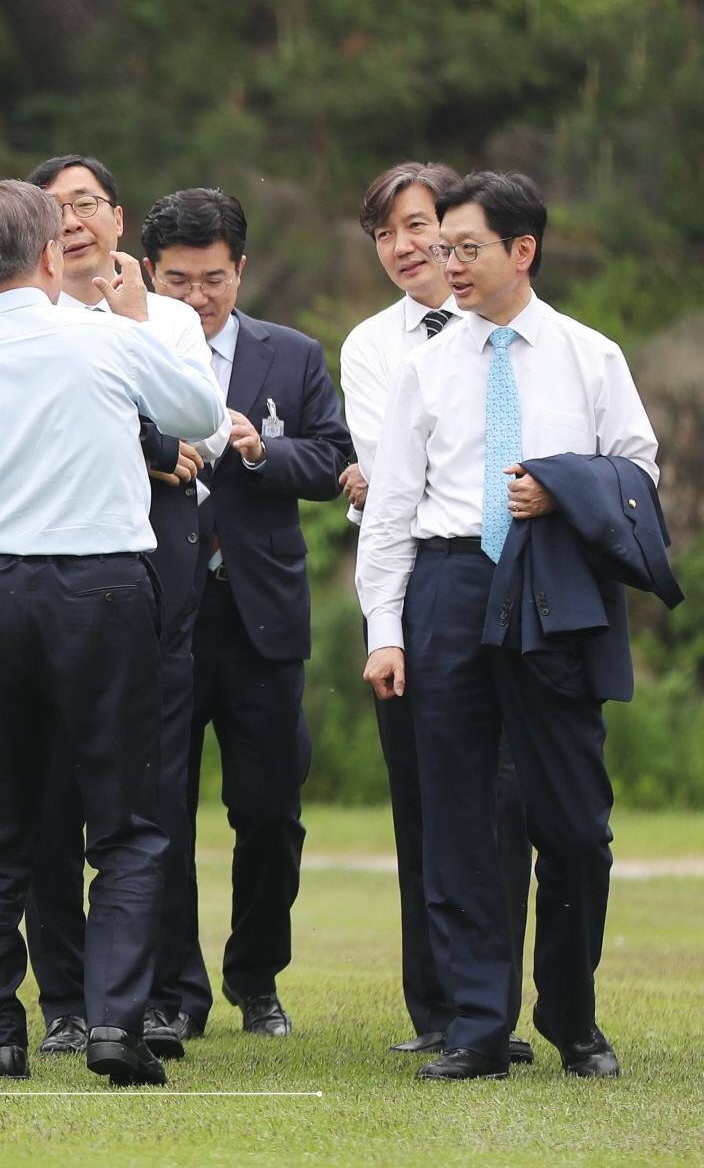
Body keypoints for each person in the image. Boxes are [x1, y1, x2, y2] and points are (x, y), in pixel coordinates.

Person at [357, 171, 667, 1081]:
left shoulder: (590, 355)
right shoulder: (425, 365)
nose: (443, 264)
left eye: (465, 248)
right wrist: (385, 626)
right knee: (455, 817)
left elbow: (639, 474)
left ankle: (574, 1017)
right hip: (448, 581)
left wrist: (562, 488)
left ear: (521, 251)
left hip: (555, 583)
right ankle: (479, 1028)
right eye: (442, 248)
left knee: (574, 823)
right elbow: (391, 507)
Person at [0, 179, 226, 1083]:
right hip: (102, 587)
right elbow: (202, 416)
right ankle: (116, 1025)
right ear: (53, 254)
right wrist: (133, 321)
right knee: (127, 820)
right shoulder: (106, 339)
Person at [18, 155, 231, 1063]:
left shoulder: (171, 316)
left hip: (158, 572)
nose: (74, 221)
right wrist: (146, 444)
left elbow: (207, 426)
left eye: (89, 204)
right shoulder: (18, 319)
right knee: (47, 793)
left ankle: (147, 996)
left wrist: (138, 320)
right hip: (48, 569)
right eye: (57, 207)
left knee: (149, 790)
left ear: (116, 219)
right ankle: (66, 993)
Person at [141, 188, 353, 1039]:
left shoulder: (291, 355)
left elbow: (334, 457)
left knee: (269, 809)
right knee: (159, 809)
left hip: (260, 614)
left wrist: (263, 450)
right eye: (181, 280)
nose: (198, 298)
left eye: (216, 279)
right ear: (149, 275)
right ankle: (173, 989)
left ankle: (256, 977)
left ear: (242, 270)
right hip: (160, 607)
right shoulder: (125, 350)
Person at [340, 162, 533, 1061]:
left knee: (510, 798)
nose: (408, 247)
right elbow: (389, 479)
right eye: (387, 234)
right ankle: (442, 1005)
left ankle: (496, 1003)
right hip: (423, 579)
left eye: (421, 226)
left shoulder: (515, 329)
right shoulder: (376, 348)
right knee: (428, 797)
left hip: (516, 571)